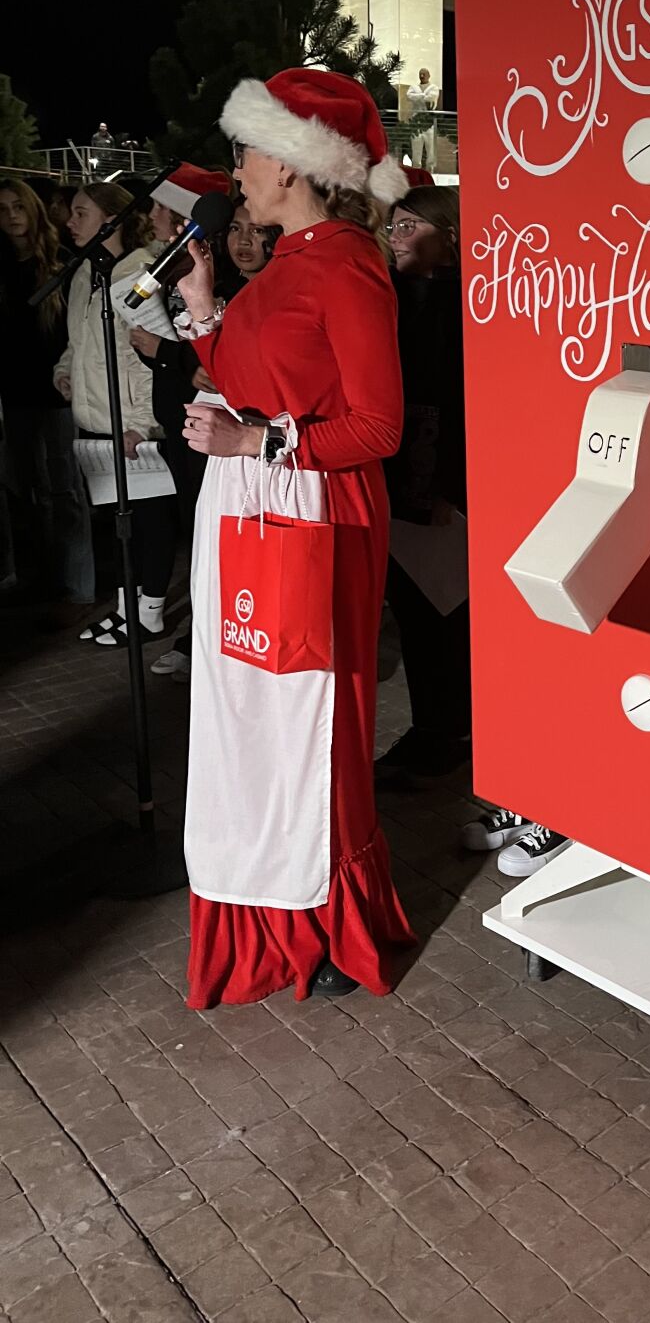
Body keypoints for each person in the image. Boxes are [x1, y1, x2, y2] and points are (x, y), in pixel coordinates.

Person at [177, 66, 415, 1008]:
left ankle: (323, 919)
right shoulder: (283, 265)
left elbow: (379, 426)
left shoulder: (348, 264)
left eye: (245, 152)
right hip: (254, 510)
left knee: (308, 725)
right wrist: (202, 305)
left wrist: (257, 438)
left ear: (289, 160)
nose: (236, 171)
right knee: (252, 726)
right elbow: (246, 369)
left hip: (311, 514)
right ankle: (271, 907)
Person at [54, 182, 179, 644]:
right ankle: (126, 609)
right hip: (96, 418)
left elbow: (147, 356)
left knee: (147, 520)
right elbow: (77, 340)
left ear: (110, 219)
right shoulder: (84, 272)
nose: (70, 222)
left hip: (130, 423)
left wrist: (143, 424)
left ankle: (149, 612)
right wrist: (65, 371)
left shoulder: (139, 272)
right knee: (117, 521)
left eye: (81, 213)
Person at [375, 184, 471, 781]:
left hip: (438, 476)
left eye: (411, 226)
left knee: (445, 613)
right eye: (393, 225)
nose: (396, 236)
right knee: (413, 610)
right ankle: (433, 723)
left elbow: (464, 400)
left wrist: (448, 488)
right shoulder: (386, 295)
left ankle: (448, 728)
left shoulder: (462, 303)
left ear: (449, 238)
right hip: (394, 467)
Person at [125, 165, 237, 680]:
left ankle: (210, 636)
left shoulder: (225, 273)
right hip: (181, 420)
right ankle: (201, 630)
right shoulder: (166, 267)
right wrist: (155, 353)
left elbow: (215, 367)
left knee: (215, 539)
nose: (151, 217)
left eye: (160, 207)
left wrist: (164, 353)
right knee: (197, 535)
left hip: (219, 427)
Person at [0, 178, 93, 605]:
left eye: (19, 206)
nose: (13, 215)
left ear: (33, 209)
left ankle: (75, 588)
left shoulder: (61, 262)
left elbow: (75, 332)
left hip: (56, 392)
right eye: (4, 209)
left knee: (64, 490)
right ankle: (42, 579)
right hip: (14, 393)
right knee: (25, 490)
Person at [409, 67, 440, 171]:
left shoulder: (434, 88)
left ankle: (430, 173)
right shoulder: (413, 87)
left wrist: (418, 97)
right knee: (416, 151)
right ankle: (416, 173)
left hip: (429, 124)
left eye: (424, 74)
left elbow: (432, 97)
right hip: (416, 124)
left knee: (431, 150)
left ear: (429, 75)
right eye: (420, 74)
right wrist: (423, 96)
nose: (422, 76)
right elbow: (409, 96)